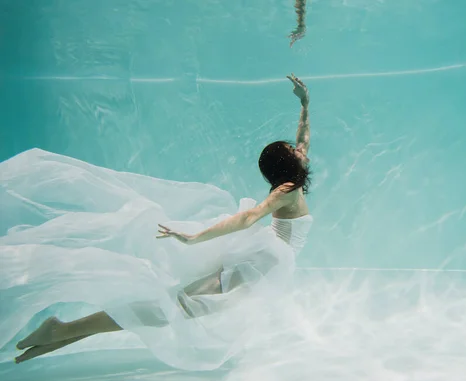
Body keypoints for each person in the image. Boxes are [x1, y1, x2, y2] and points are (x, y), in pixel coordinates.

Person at [12, 74, 313, 365]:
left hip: (263, 259)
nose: (300, 150)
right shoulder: (288, 189)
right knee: (178, 306)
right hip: (261, 262)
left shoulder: (293, 178)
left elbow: (304, 137)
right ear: (287, 166)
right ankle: (62, 330)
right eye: (293, 151)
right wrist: (196, 238)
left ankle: (59, 334)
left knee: (180, 307)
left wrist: (304, 104)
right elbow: (248, 217)